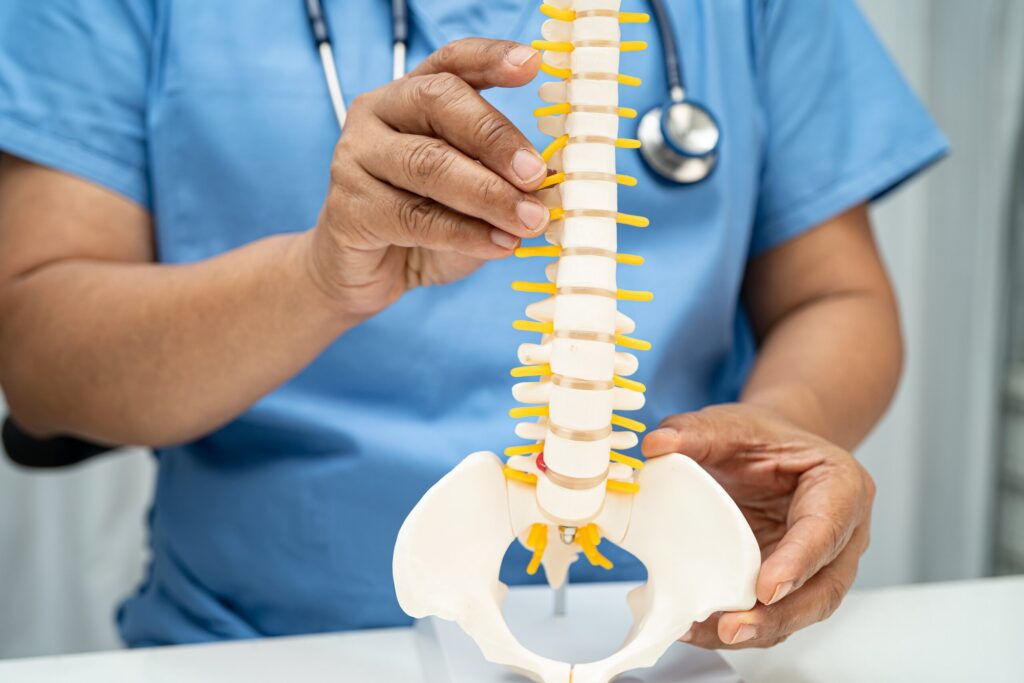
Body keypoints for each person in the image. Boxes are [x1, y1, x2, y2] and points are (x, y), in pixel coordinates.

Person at [0, 0, 946, 651]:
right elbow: (38, 353)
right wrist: (319, 275)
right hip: (261, 647)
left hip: (682, 642)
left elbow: (836, 297)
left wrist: (787, 421)